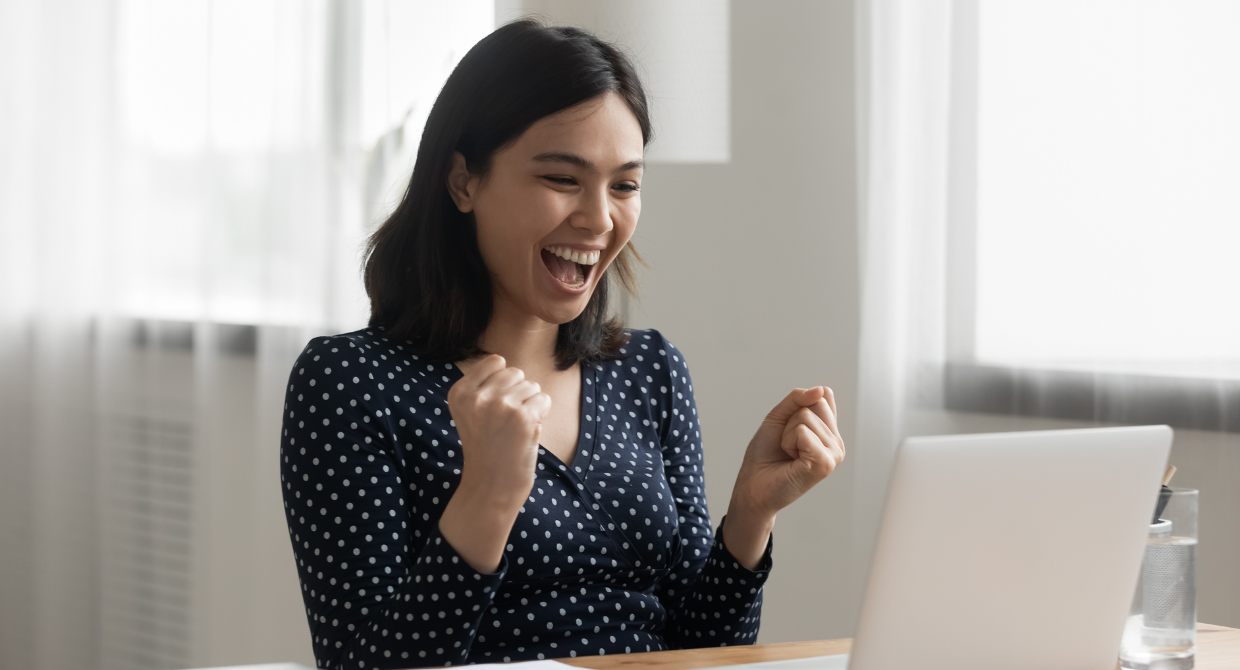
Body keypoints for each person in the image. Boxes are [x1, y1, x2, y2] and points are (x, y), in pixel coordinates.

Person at [279, 19, 845, 670]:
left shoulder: (649, 369)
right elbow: (362, 665)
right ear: (464, 181)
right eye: (561, 178)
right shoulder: (351, 382)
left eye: (625, 185)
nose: (599, 218)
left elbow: (701, 646)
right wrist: (487, 497)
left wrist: (750, 513)